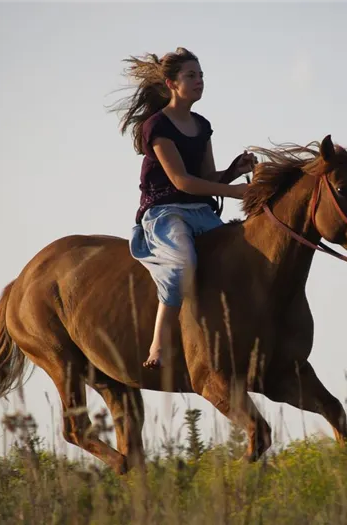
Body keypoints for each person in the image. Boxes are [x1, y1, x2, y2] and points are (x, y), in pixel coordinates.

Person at [110, 47, 256, 369]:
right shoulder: (157, 126)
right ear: (172, 83)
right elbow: (181, 182)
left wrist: (233, 170)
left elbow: (205, 177)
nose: (199, 81)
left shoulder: (202, 125)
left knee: (240, 256)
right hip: (165, 211)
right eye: (191, 75)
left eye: (201, 75)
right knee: (182, 263)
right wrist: (233, 191)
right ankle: (158, 344)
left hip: (201, 212)